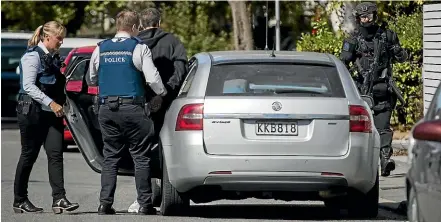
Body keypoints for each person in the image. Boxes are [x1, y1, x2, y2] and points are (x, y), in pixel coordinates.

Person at [88, 9, 168, 215]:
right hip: (132, 108)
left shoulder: (101, 48)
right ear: (135, 28)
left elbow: (91, 79)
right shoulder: (139, 47)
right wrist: (162, 93)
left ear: (117, 26)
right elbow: (153, 79)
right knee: (140, 157)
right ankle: (145, 204)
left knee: (110, 157)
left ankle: (104, 203)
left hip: (106, 109)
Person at [13, 21, 79, 214]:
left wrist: (61, 102)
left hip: (51, 114)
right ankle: (20, 199)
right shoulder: (32, 56)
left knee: (56, 154)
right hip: (32, 112)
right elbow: (28, 86)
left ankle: (59, 198)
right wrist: (51, 102)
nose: (61, 41)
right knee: (29, 155)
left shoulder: (52, 57)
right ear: (47, 37)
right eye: (59, 38)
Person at [128, 7, 188, 213]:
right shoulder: (173, 42)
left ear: (141, 24)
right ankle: (166, 187)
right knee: (167, 148)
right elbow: (181, 70)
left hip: (138, 104)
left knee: (140, 153)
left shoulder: (134, 43)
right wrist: (165, 95)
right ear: (159, 22)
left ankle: (141, 198)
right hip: (167, 103)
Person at [340, 2, 408, 177]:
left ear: (374, 16)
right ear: (358, 19)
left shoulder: (387, 36)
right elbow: (343, 64)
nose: (366, 19)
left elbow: (402, 58)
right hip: (361, 90)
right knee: (361, 129)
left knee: (383, 126)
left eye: (369, 16)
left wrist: (398, 51)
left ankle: (385, 159)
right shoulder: (353, 39)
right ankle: (360, 163)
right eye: (363, 17)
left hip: (382, 88)